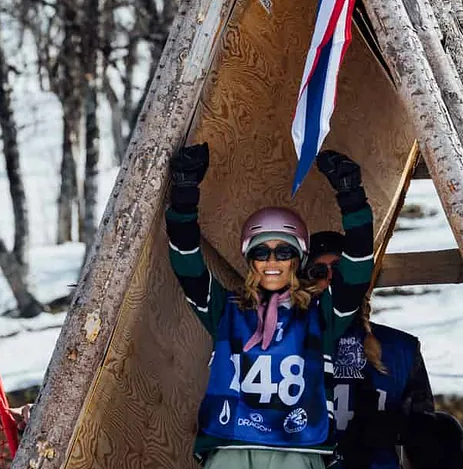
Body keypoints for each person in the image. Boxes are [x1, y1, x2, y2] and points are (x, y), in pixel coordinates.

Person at [166, 143, 375, 468]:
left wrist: (352, 198)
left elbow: (359, 266)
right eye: (262, 253)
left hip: (298, 447)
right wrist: (184, 193)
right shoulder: (227, 310)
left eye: (284, 252)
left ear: (299, 259)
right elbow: (186, 262)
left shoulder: (321, 314)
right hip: (232, 444)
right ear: (250, 261)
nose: (272, 261)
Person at [304, 231, 434, 469]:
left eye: (340, 269)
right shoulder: (281, 348)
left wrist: (392, 426)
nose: (331, 278)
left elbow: (428, 440)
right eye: (319, 273)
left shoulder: (400, 349)